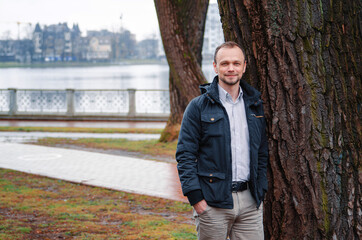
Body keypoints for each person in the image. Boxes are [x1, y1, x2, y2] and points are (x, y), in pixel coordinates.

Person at [176, 41, 268, 239]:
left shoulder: (255, 105)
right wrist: (196, 199)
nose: (231, 68)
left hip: (250, 203)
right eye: (225, 63)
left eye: (236, 63)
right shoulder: (198, 107)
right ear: (215, 67)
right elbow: (185, 155)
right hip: (212, 203)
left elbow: (261, 152)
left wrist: (260, 190)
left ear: (244, 66)